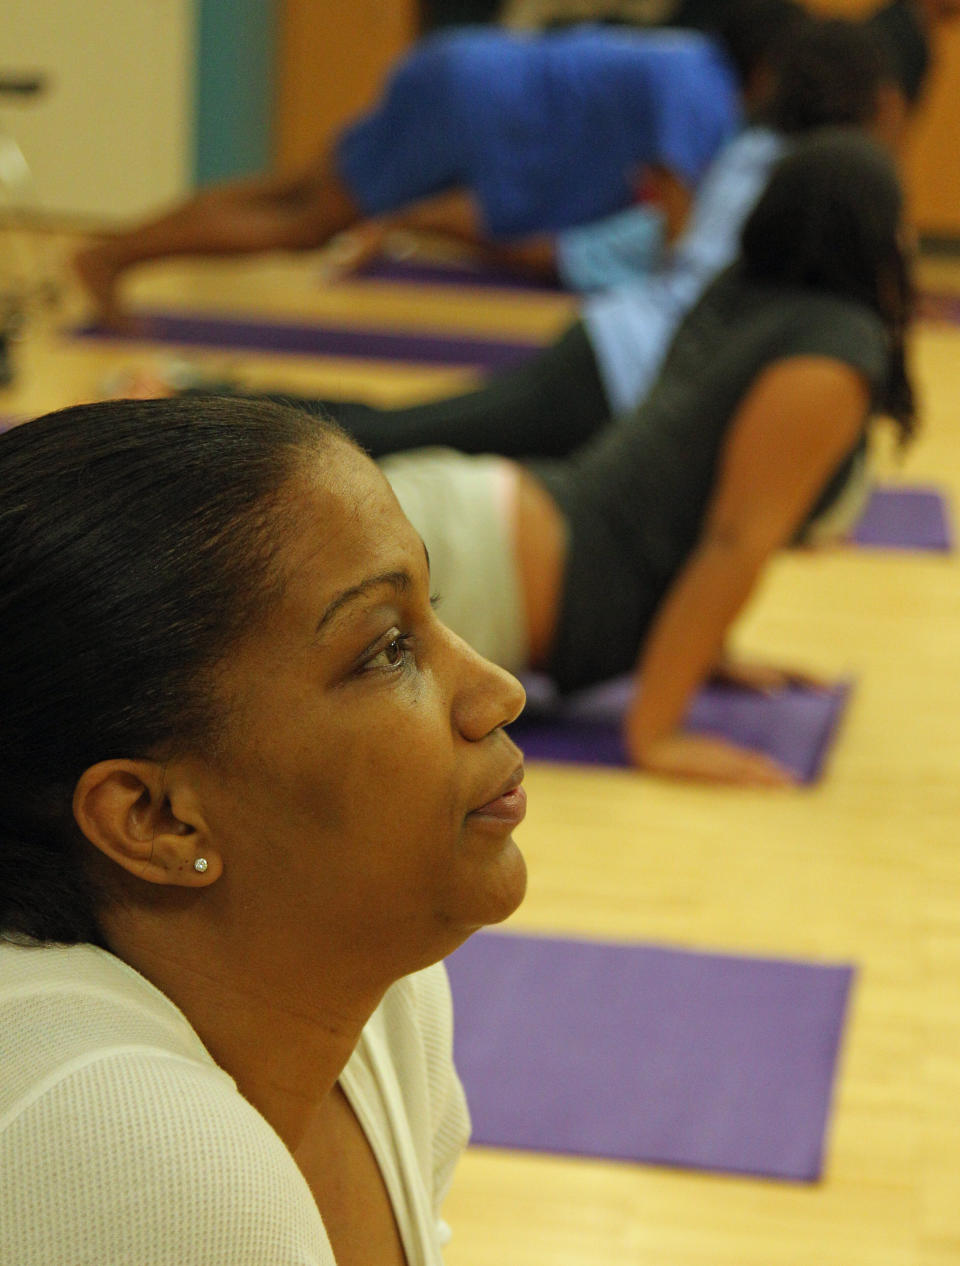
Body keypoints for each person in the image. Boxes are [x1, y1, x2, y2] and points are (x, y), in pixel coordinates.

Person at [0, 396, 528, 1263]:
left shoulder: (382, 995)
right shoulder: (128, 1150)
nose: (497, 691)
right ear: (156, 818)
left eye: (432, 612)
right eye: (388, 648)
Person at [358, 130, 917, 785]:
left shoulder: (743, 294)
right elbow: (735, 538)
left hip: (480, 530)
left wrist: (712, 654)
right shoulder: (833, 349)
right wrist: (656, 733)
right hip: (475, 565)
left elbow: (681, 481)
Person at [200, 17, 901, 457]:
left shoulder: (755, 152)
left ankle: (217, 402)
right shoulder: (795, 174)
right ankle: (208, 407)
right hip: (616, 366)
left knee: (411, 432)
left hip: (611, 349)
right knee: (397, 436)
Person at [72, 0, 804, 327]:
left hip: (463, 78)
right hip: (470, 101)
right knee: (307, 222)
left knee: (293, 190)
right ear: (767, 66)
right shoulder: (700, 83)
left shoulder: (687, 64)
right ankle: (113, 256)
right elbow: (679, 226)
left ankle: (116, 254)